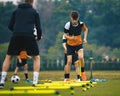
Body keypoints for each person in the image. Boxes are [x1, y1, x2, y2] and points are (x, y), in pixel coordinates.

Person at [0, 0, 42, 88]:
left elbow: (10, 26)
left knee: (8, 57)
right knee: (36, 57)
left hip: (16, 35)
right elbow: (38, 27)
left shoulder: (16, 11)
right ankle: (35, 81)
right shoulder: (34, 12)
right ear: (32, 1)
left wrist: (17, 31)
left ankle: (2, 81)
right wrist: (38, 37)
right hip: (29, 36)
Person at [64, 11, 88, 81]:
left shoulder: (81, 24)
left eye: (76, 20)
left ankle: (83, 72)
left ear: (78, 18)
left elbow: (86, 30)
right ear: (71, 18)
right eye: (73, 20)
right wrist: (70, 38)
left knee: (81, 57)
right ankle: (67, 78)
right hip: (70, 46)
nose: (74, 21)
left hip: (78, 45)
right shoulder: (68, 25)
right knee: (69, 61)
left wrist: (85, 38)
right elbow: (65, 35)